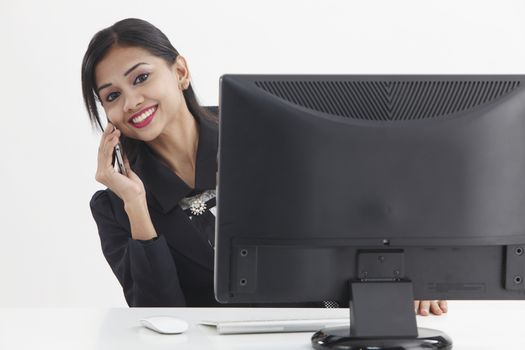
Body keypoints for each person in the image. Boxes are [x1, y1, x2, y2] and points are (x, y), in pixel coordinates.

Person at [81, 18, 447, 315]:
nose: (131, 101)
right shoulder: (116, 206)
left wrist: (414, 270)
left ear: (179, 72)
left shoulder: (267, 131)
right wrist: (137, 207)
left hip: (332, 328)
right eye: (112, 95)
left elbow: (367, 204)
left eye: (141, 78)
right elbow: (158, 320)